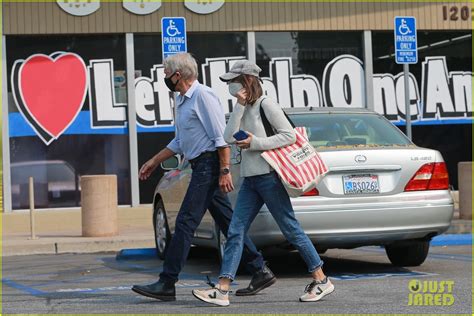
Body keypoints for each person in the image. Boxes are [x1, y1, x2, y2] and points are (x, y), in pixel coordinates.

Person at [131, 53, 276, 302]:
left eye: (167, 73)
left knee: (186, 222)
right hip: (199, 165)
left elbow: (221, 139)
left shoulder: (203, 96)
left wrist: (224, 170)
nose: (165, 78)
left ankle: (167, 282)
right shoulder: (182, 101)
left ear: (179, 74)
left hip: (209, 165)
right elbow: (180, 141)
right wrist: (154, 161)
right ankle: (259, 269)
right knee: (228, 222)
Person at [192, 60, 334, 306]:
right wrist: (238, 106)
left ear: (246, 80)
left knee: (291, 229)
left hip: (268, 177)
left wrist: (255, 142)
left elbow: (289, 135)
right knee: (235, 231)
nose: (230, 86)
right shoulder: (243, 107)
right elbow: (227, 137)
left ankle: (321, 280)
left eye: (234, 81)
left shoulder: (266, 104)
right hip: (250, 180)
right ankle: (223, 289)